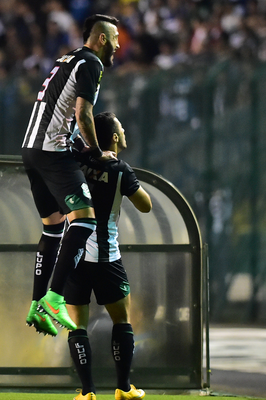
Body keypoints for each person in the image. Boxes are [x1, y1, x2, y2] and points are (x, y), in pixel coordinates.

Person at [23, 14, 120, 335]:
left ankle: (37, 305)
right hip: (52, 149)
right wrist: (95, 150)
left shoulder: (67, 59)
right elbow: (82, 112)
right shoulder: (92, 63)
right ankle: (55, 297)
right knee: (84, 219)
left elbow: (58, 108)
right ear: (102, 38)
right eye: (115, 38)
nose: (119, 45)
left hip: (31, 150)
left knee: (53, 228)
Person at [64, 111, 152, 400]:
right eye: (122, 129)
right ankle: (124, 387)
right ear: (114, 137)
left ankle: (87, 392)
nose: (125, 132)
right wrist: (126, 180)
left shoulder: (76, 161)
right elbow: (146, 206)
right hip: (106, 257)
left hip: (74, 255)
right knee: (122, 320)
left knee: (78, 324)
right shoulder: (120, 169)